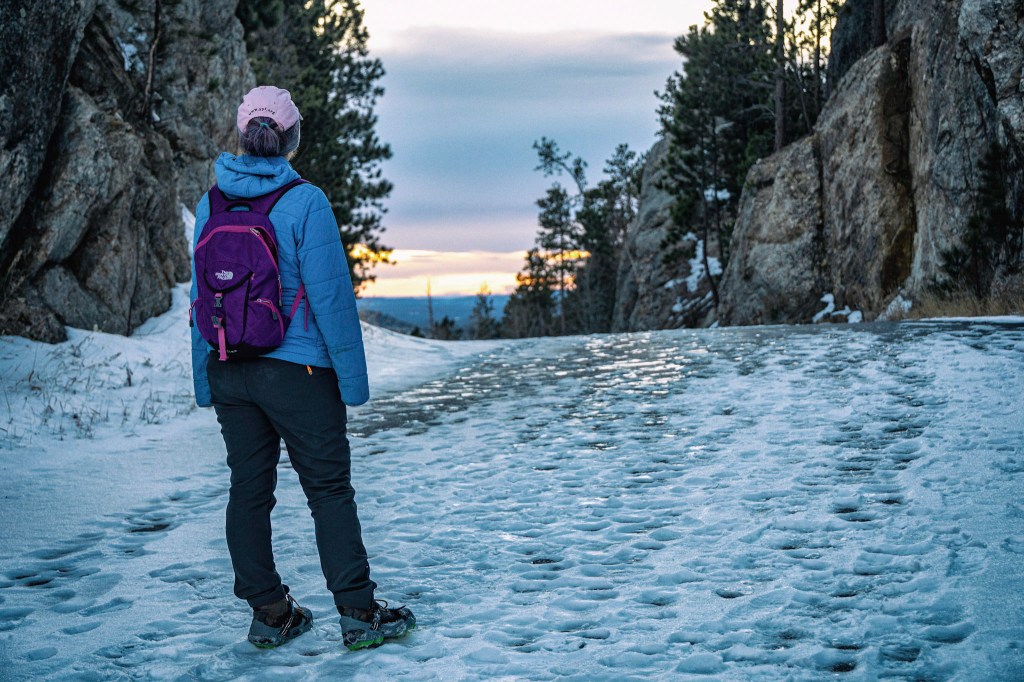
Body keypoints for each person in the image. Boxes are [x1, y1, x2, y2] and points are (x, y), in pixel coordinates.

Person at [189, 85, 414, 651]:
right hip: (298, 374)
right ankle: (359, 614)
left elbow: (200, 300)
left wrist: (204, 380)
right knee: (329, 490)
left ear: (242, 136)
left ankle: (270, 614)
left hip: (229, 368)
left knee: (248, 490)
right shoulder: (306, 201)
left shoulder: (210, 204)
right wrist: (353, 384)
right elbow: (332, 300)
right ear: (291, 138)